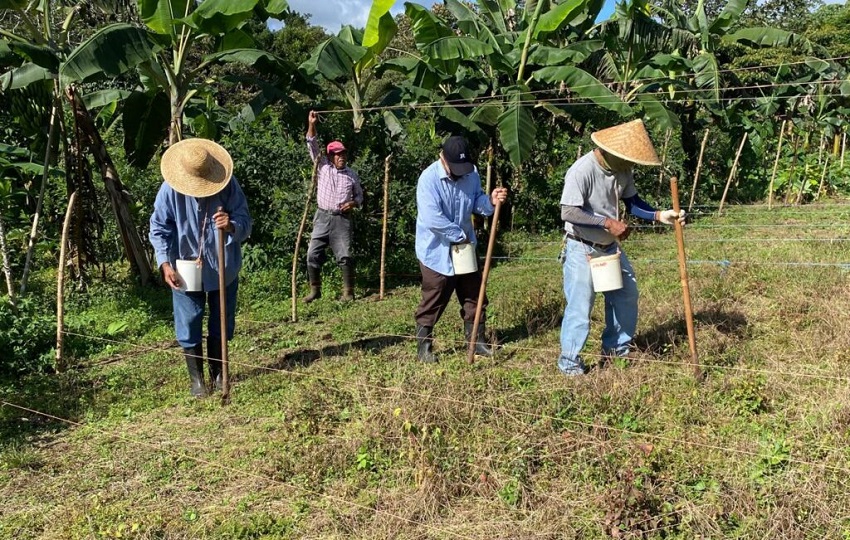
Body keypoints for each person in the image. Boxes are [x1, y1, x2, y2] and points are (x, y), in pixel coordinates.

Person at [558, 119, 685, 376]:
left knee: (625, 296)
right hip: (581, 247)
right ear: (610, 153)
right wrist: (606, 223)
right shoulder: (581, 170)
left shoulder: (623, 171)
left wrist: (661, 215)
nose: (631, 164)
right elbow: (568, 211)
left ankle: (616, 351)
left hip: (609, 247)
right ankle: (569, 365)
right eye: (627, 159)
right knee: (580, 307)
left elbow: (633, 202)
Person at [149, 138, 252, 397]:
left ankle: (219, 375)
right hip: (183, 265)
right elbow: (158, 228)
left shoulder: (227, 185)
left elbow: (245, 221)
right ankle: (197, 381)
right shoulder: (169, 190)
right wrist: (164, 263)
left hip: (222, 265)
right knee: (189, 319)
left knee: (222, 320)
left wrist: (230, 224)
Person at [414, 135, 509, 363]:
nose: (460, 172)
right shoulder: (428, 180)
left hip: (465, 249)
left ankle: (477, 342)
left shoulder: (471, 173)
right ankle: (423, 349)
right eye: (455, 167)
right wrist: (459, 236)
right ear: (442, 159)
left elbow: (476, 202)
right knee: (434, 296)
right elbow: (432, 218)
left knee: (474, 294)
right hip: (436, 250)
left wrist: (491, 201)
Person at [303, 110, 364, 303]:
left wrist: (353, 203)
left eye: (343, 153)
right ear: (330, 157)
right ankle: (315, 290)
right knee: (312, 254)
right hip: (322, 217)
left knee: (344, 255)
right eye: (337, 154)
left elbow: (360, 196)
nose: (341, 157)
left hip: (341, 219)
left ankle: (348, 293)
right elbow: (312, 143)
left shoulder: (352, 175)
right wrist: (312, 123)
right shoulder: (322, 167)